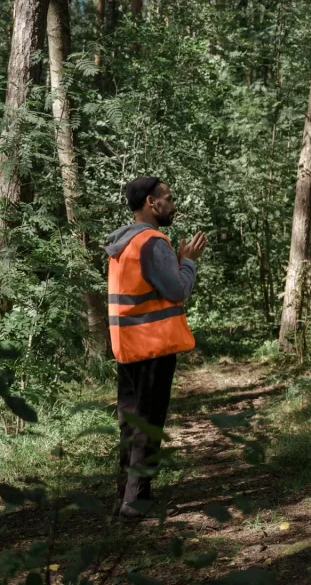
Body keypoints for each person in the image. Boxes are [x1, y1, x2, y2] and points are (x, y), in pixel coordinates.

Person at [105, 176, 207, 519]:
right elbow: (177, 290)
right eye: (169, 198)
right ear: (152, 202)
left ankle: (126, 496)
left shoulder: (122, 244)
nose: (173, 204)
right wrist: (187, 260)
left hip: (128, 346)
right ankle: (136, 504)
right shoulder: (152, 242)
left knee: (130, 424)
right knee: (147, 425)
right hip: (153, 347)